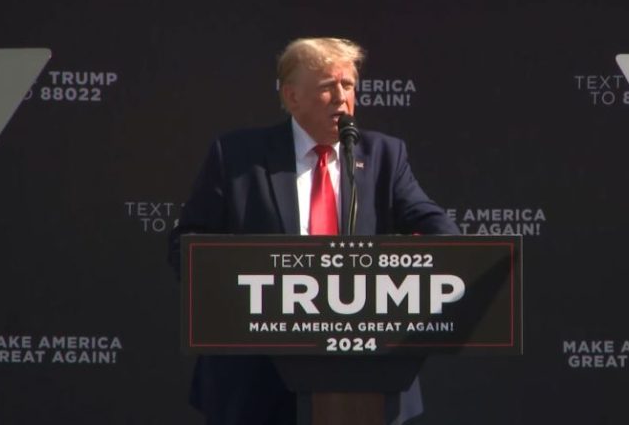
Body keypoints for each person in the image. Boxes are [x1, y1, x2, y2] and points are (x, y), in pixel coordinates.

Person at [169, 37, 459, 425]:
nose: (342, 97)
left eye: (348, 85)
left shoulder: (384, 156)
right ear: (292, 96)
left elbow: (441, 232)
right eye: (327, 87)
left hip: (366, 377)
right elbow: (186, 246)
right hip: (255, 380)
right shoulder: (238, 156)